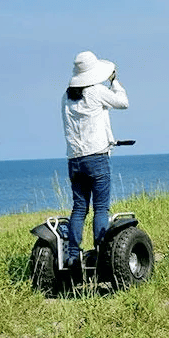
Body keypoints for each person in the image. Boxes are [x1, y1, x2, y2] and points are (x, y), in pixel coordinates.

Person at [61, 51, 129, 268]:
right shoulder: (97, 92)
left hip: (74, 160)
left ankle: (73, 256)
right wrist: (115, 81)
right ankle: (101, 254)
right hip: (96, 158)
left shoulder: (66, 97)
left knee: (79, 208)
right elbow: (123, 103)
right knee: (101, 208)